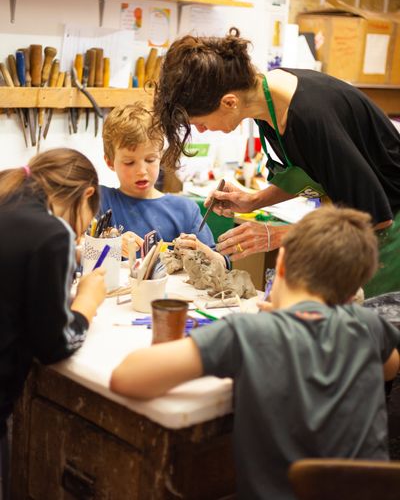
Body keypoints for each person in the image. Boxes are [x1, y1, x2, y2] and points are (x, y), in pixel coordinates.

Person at [110, 206, 400, 500]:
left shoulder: (248, 332)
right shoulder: (368, 326)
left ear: (282, 263)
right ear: (354, 292)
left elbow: (126, 378)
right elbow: (389, 368)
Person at [152, 29, 400, 298]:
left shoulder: (309, 117)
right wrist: (255, 201)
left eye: (200, 122)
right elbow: (314, 172)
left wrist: (276, 234)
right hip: (368, 221)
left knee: (370, 330)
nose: (201, 130)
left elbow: (372, 218)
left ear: (229, 102)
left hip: (389, 236)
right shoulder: (266, 100)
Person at [0, 148, 106, 500]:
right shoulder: (52, 233)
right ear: (87, 194)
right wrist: (87, 302)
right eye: (86, 224)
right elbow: (54, 344)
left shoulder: (6, 193)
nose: (80, 235)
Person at [100, 103, 229, 268]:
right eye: (129, 162)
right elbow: (77, 255)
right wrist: (110, 245)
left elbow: (223, 265)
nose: (141, 171)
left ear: (160, 155)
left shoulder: (184, 210)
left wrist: (202, 251)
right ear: (110, 162)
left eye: (150, 160)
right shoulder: (100, 202)